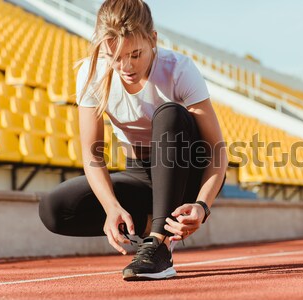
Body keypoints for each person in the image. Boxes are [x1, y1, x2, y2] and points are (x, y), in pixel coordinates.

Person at [39, 0, 228, 281]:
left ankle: (160, 246)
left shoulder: (179, 69)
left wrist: (202, 205)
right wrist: (111, 206)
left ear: (153, 39)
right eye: (114, 57)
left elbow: (217, 152)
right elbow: (93, 156)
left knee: (169, 114)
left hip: (188, 170)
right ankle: (153, 223)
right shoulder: (92, 73)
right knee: (54, 209)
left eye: (136, 54)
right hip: (139, 171)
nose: (126, 66)